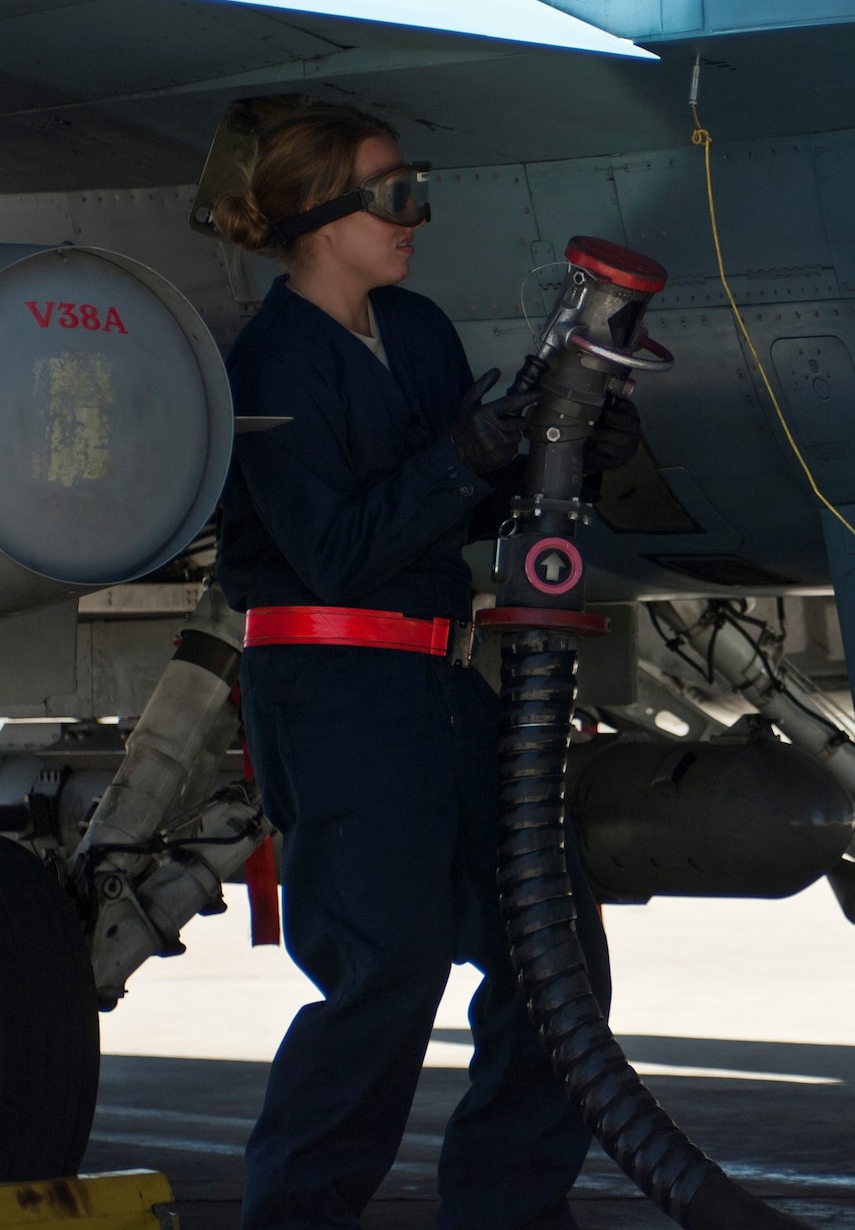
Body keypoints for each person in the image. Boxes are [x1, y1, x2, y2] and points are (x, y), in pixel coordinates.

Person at [210, 103, 642, 1230]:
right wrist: (468, 453)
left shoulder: (414, 328)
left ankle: (508, 1206)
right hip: (335, 693)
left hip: (441, 683)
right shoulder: (265, 366)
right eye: (393, 194)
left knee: (556, 962)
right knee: (385, 974)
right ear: (319, 217)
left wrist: (568, 446)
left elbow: (464, 504)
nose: (417, 216)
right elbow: (340, 548)